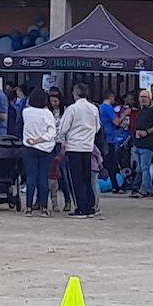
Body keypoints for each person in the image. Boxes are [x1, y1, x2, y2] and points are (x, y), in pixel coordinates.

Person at [56, 83, 100, 218]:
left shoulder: (72, 109)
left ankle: (80, 207)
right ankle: (90, 206)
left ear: (75, 93)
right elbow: (97, 126)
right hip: (87, 146)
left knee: (76, 178)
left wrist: (62, 140)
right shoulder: (93, 108)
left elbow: (63, 128)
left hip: (74, 146)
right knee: (87, 177)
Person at [21, 88, 57, 215]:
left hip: (29, 147)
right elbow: (52, 132)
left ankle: (28, 207)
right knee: (43, 177)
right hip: (45, 148)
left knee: (31, 177)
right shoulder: (47, 114)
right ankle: (44, 208)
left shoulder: (26, 112)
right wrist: (40, 139)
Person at [131, 89, 153, 198]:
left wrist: (147, 132)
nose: (143, 99)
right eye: (141, 97)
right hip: (137, 144)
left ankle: (145, 190)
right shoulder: (141, 111)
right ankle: (147, 189)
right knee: (140, 169)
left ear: (149, 98)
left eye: (145, 97)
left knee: (145, 168)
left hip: (147, 144)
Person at [100, 90, 131, 193]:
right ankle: (115, 185)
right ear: (111, 97)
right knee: (112, 162)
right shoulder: (108, 108)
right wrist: (124, 114)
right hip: (110, 138)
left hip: (104, 137)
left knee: (108, 161)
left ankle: (114, 184)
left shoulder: (100, 108)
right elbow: (116, 122)